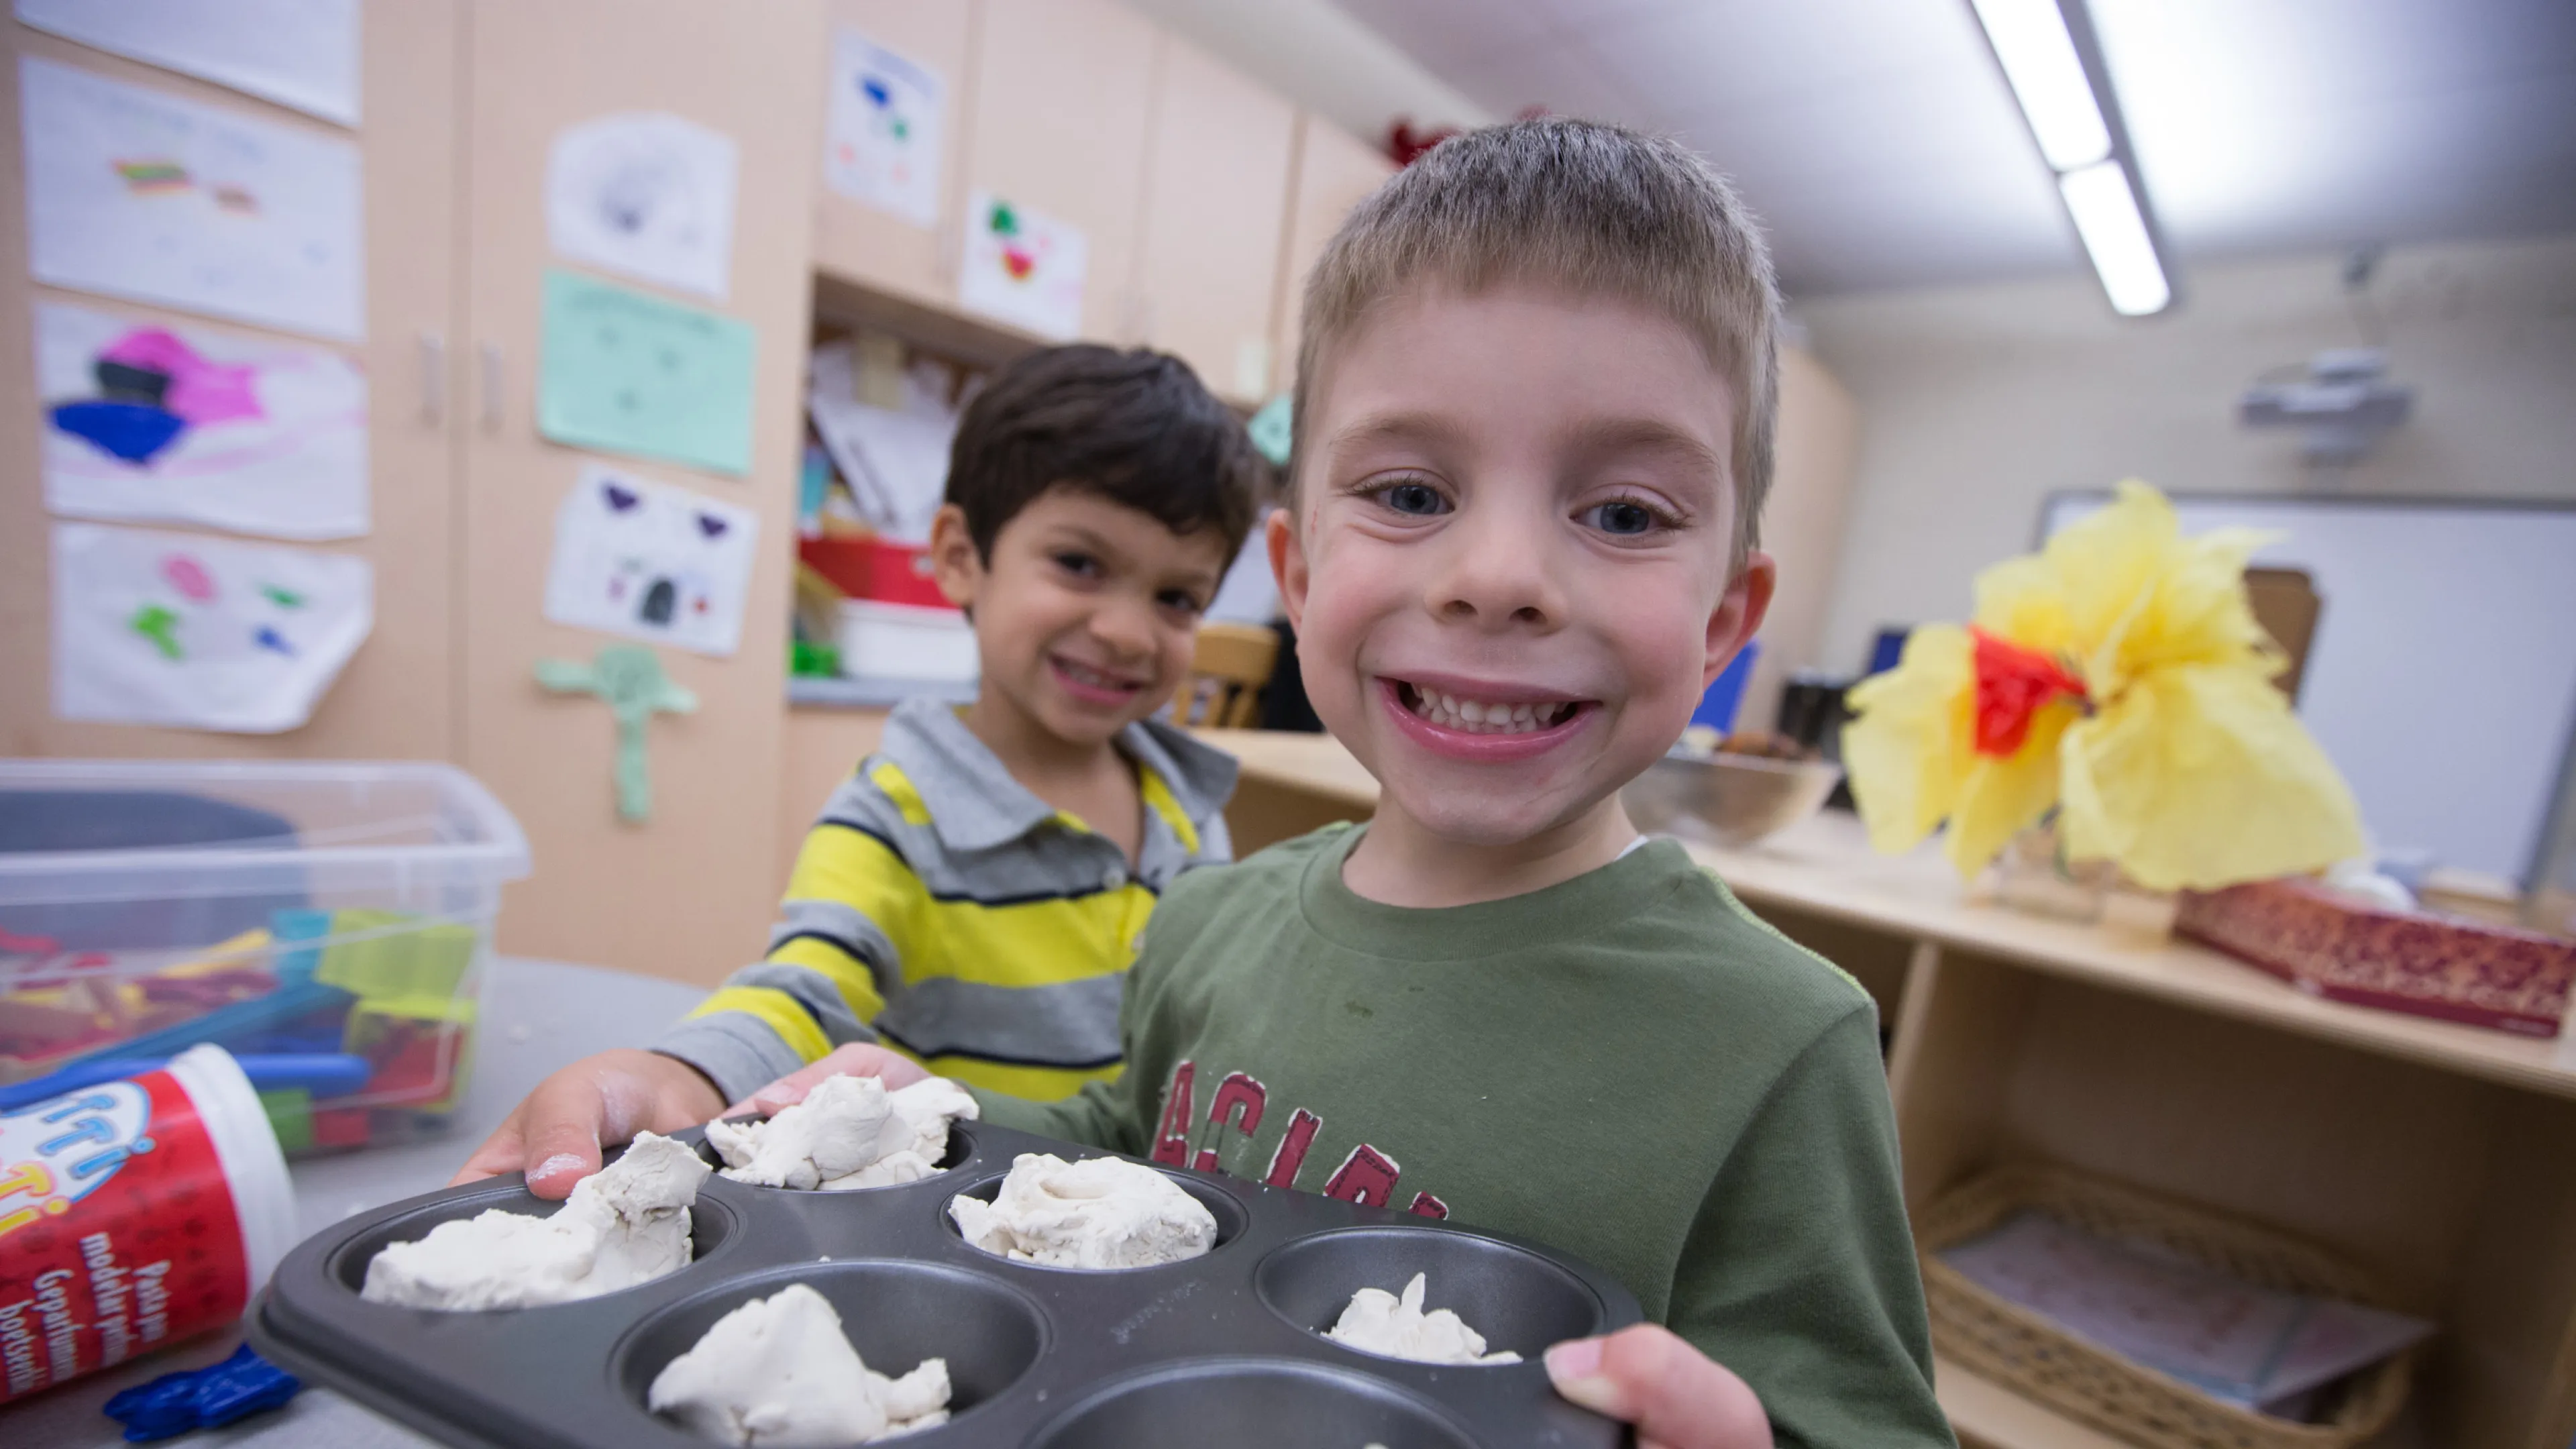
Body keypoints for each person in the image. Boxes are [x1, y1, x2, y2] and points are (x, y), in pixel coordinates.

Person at [742, 119, 1954, 1448]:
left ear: (1725, 620)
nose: (1498, 576)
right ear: (1303, 576)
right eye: (1410, 490)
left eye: (1623, 515)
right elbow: (1122, 1146)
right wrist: (935, 1107)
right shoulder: (1212, 919)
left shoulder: (1781, 1047)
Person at [453, 343, 1260, 1196]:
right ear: (958, 555)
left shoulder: (1187, 806)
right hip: (973, 1225)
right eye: (1080, 565)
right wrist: (675, 1077)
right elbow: (805, 989)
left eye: (1177, 597)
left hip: (1156, 1215)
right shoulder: (895, 813)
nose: (1130, 632)